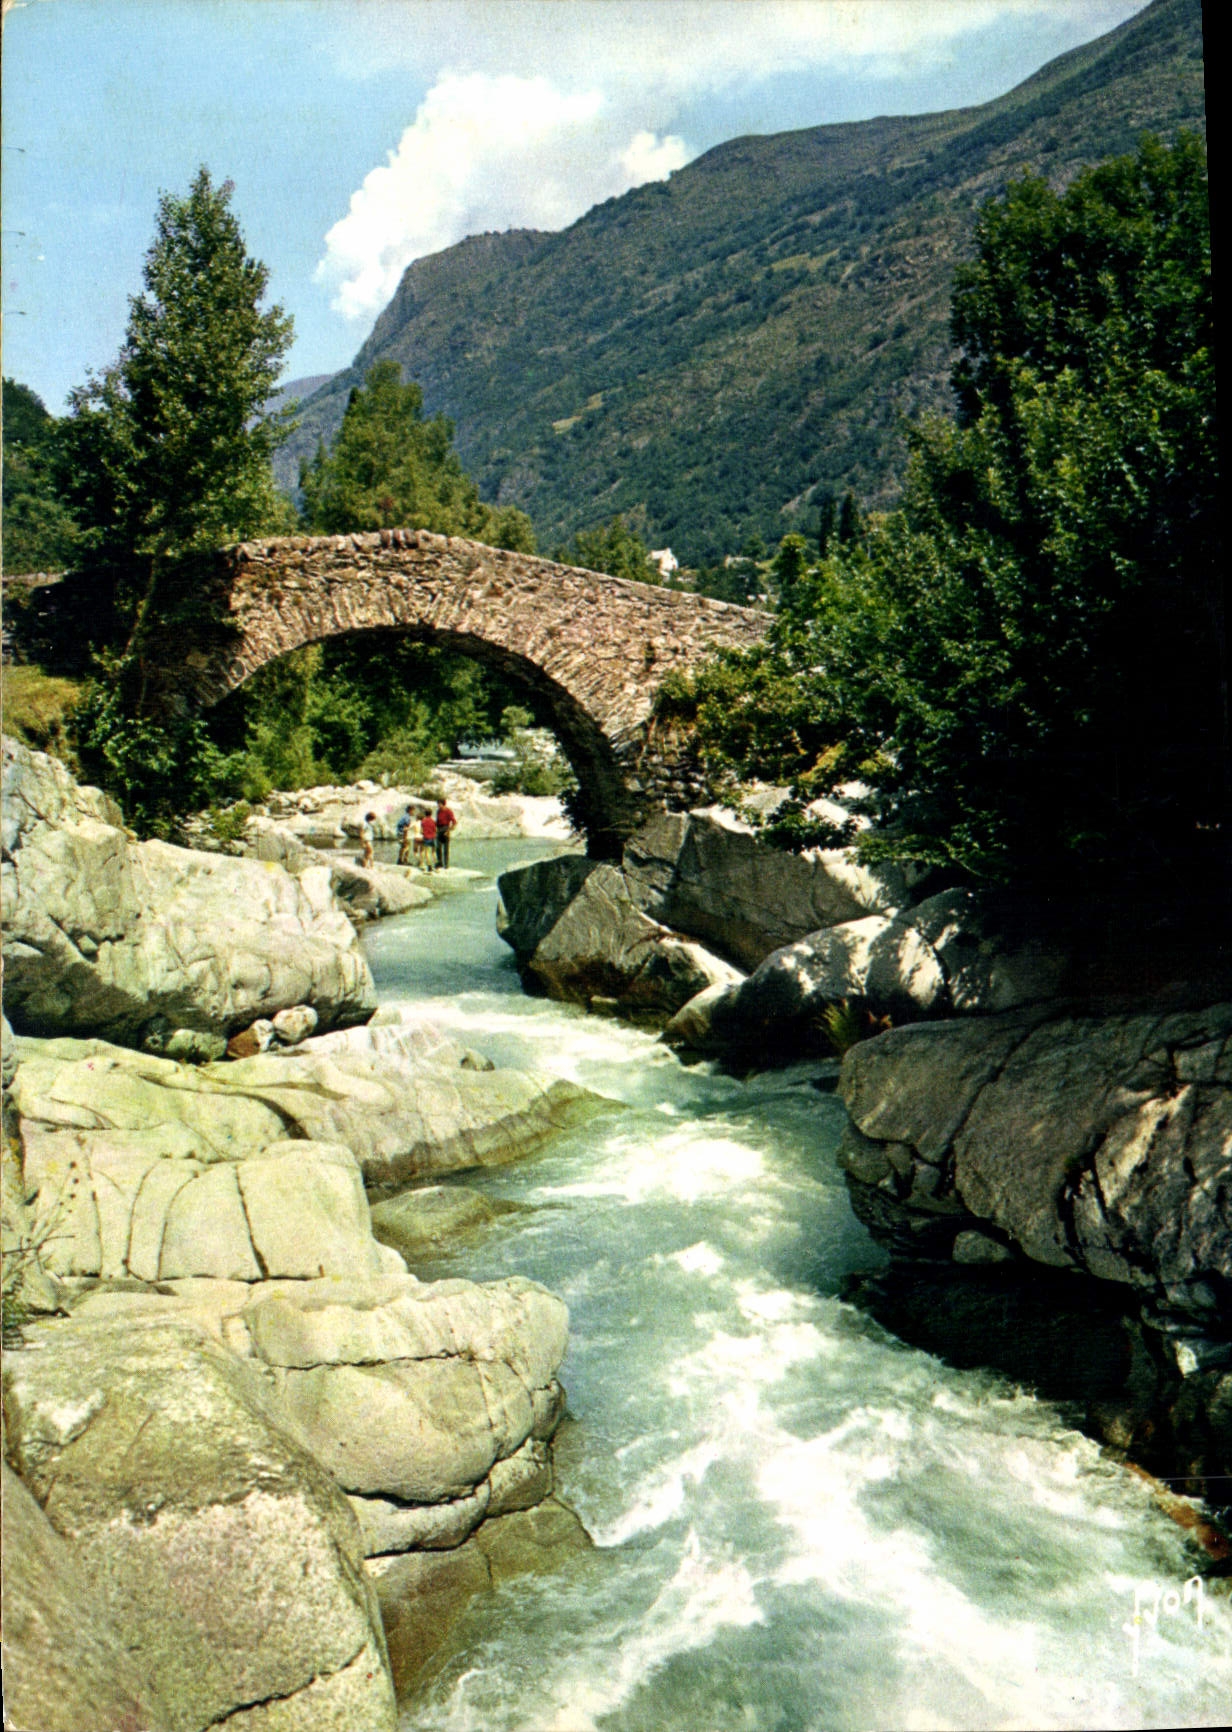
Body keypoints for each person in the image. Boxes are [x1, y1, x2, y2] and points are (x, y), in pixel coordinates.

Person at [435, 797, 457, 869]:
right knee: (438, 847)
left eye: (439, 804)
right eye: (438, 804)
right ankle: (439, 862)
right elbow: (437, 821)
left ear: (443, 804)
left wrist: (449, 830)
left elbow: (454, 822)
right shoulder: (438, 811)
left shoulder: (448, 811)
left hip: (446, 828)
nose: (438, 805)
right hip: (439, 829)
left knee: (446, 849)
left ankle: (446, 864)